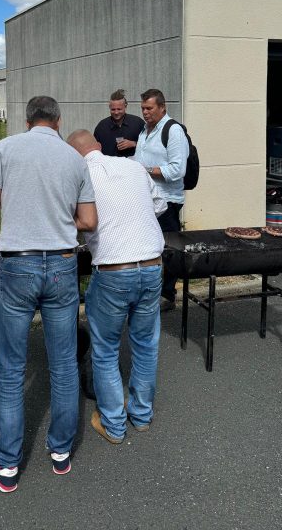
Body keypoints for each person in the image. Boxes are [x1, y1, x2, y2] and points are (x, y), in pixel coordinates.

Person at [0, 96, 97, 493]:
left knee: (11, 368)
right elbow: (89, 221)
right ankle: (61, 451)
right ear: (58, 121)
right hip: (62, 265)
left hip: (17, 265)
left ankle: (7, 463)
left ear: (27, 121)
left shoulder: (5, 149)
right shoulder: (74, 159)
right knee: (62, 365)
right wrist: (63, 218)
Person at [67, 130, 167, 443]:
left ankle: (113, 423)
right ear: (98, 147)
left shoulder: (79, 175)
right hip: (152, 264)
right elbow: (160, 204)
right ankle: (141, 415)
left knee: (106, 348)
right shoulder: (134, 166)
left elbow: (75, 219)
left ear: (74, 155)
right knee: (146, 344)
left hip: (113, 271)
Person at [134, 88, 189, 310]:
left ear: (162, 107)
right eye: (143, 109)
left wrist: (143, 171)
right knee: (149, 249)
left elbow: (177, 169)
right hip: (147, 199)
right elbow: (139, 159)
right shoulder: (144, 131)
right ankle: (150, 292)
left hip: (167, 200)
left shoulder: (173, 130)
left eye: (149, 108)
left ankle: (168, 295)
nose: (145, 113)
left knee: (170, 250)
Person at [93, 89, 144, 157]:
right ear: (109, 107)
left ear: (125, 106)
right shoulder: (101, 126)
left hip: (131, 166)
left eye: (119, 109)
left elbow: (149, 146)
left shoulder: (138, 123)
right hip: (109, 166)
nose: (116, 112)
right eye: (113, 109)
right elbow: (94, 149)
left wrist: (134, 144)